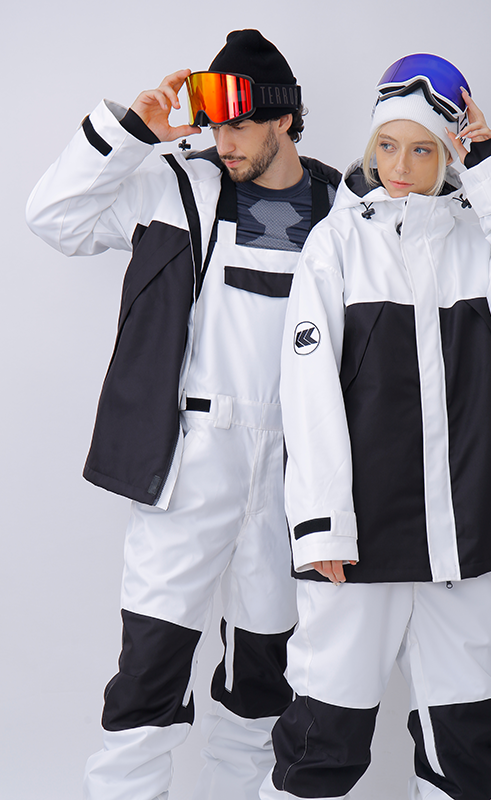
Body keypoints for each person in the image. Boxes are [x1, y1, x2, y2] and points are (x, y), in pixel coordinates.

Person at [26, 29, 341, 800]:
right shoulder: (174, 187)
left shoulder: (343, 207)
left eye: (241, 126)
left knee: (264, 673)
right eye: (216, 126)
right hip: (193, 457)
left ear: (285, 119)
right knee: (151, 664)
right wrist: (133, 131)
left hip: (297, 469)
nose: (223, 142)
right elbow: (53, 216)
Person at [260, 54, 491, 800]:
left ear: (447, 156)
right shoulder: (338, 244)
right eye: (388, 146)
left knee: (464, 744)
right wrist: (322, 526)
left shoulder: (474, 240)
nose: (400, 167)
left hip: (464, 534)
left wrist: (490, 163)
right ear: (371, 147)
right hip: (358, 537)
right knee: (323, 740)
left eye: (423, 149)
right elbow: (307, 391)